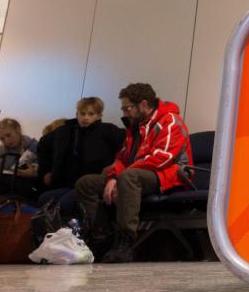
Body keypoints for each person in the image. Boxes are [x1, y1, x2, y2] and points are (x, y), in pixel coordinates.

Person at [75, 83, 192, 263]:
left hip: (169, 175)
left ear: (143, 104)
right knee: (86, 183)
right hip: (137, 175)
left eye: (127, 108)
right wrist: (112, 178)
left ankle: (125, 242)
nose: (124, 113)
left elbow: (162, 158)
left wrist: (120, 177)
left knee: (128, 176)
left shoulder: (170, 121)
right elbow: (122, 158)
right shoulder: (135, 127)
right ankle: (102, 237)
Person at [37, 98, 125, 217]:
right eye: (82, 113)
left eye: (91, 114)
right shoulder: (64, 131)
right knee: (44, 199)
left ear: (99, 116)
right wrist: (46, 171)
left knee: (65, 204)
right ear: (76, 114)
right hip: (67, 184)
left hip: (91, 185)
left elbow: (127, 147)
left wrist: (115, 166)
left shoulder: (108, 130)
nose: (86, 117)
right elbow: (43, 146)